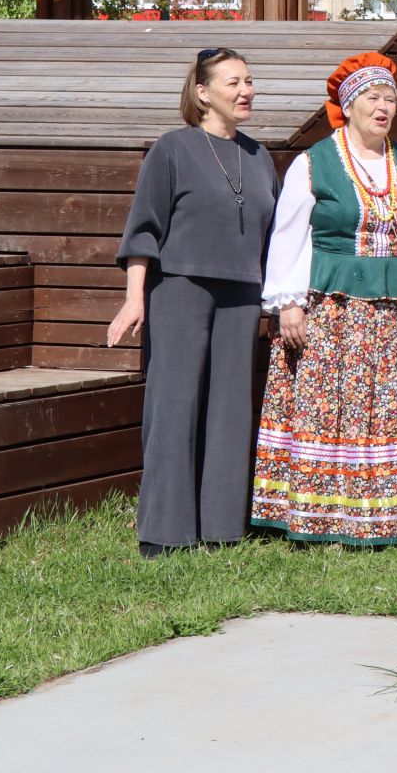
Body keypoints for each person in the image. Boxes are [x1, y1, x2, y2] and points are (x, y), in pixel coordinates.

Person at [252, 52, 397, 547]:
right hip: (333, 311)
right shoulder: (314, 162)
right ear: (349, 103)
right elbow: (288, 236)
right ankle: (324, 516)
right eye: (372, 98)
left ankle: (383, 512)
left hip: (393, 314)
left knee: (384, 409)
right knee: (331, 406)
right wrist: (287, 303)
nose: (383, 107)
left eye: (390, 98)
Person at [111, 47, 280, 559]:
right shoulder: (173, 148)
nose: (245, 90)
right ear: (203, 93)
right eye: (233, 82)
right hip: (180, 289)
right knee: (175, 403)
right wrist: (134, 298)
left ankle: (221, 527)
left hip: (242, 294)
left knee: (230, 408)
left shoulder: (260, 155)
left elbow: (274, 234)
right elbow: (143, 230)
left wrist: (274, 301)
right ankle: (164, 531)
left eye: (249, 80)